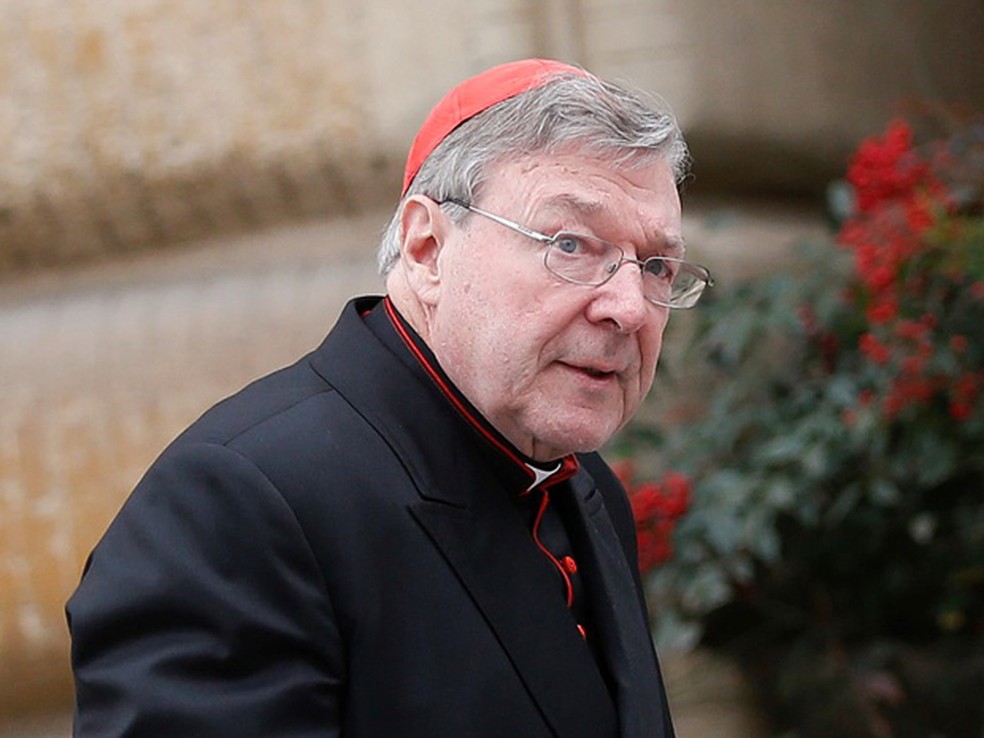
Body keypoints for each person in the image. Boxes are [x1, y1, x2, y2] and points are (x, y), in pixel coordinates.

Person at [67, 58, 712, 738]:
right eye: (572, 245)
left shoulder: (587, 489)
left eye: (656, 266)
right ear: (428, 247)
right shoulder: (239, 502)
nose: (629, 309)